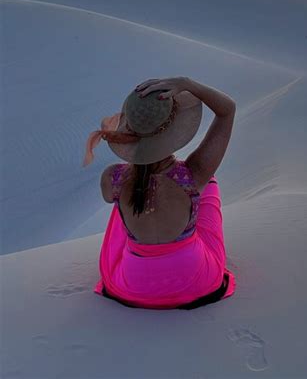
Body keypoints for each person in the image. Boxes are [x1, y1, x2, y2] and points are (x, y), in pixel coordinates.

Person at [83, 76, 237, 309]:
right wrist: (187, 84)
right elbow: (227, 110)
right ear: (173, 130)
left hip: (132, 286)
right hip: (196, 283)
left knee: (125, 198)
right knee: (208, 184)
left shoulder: (111, 178)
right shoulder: (195, 174)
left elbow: (111, 197)